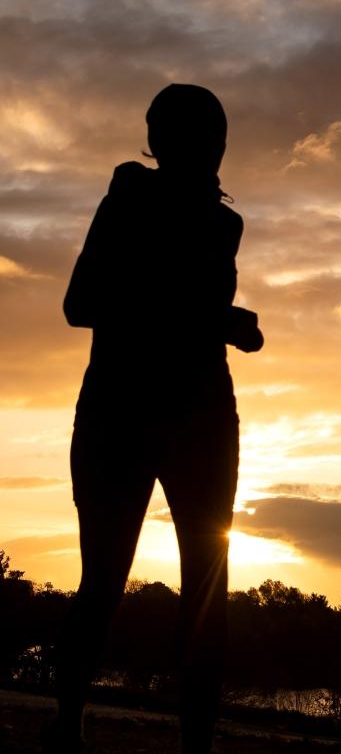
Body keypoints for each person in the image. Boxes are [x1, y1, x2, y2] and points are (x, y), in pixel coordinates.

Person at [46, 84, 263, 754]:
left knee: (207, 585)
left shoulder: (226, 224)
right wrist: (216, 320)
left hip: (202, 417)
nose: (206, 145)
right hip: (120, 410)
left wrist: (229, 327)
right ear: (161, 138)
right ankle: (66, 728)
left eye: (211, 134)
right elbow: (81, 304)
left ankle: (196, 742)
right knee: (104, 578)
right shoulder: (127, 199)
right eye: (195, 132)